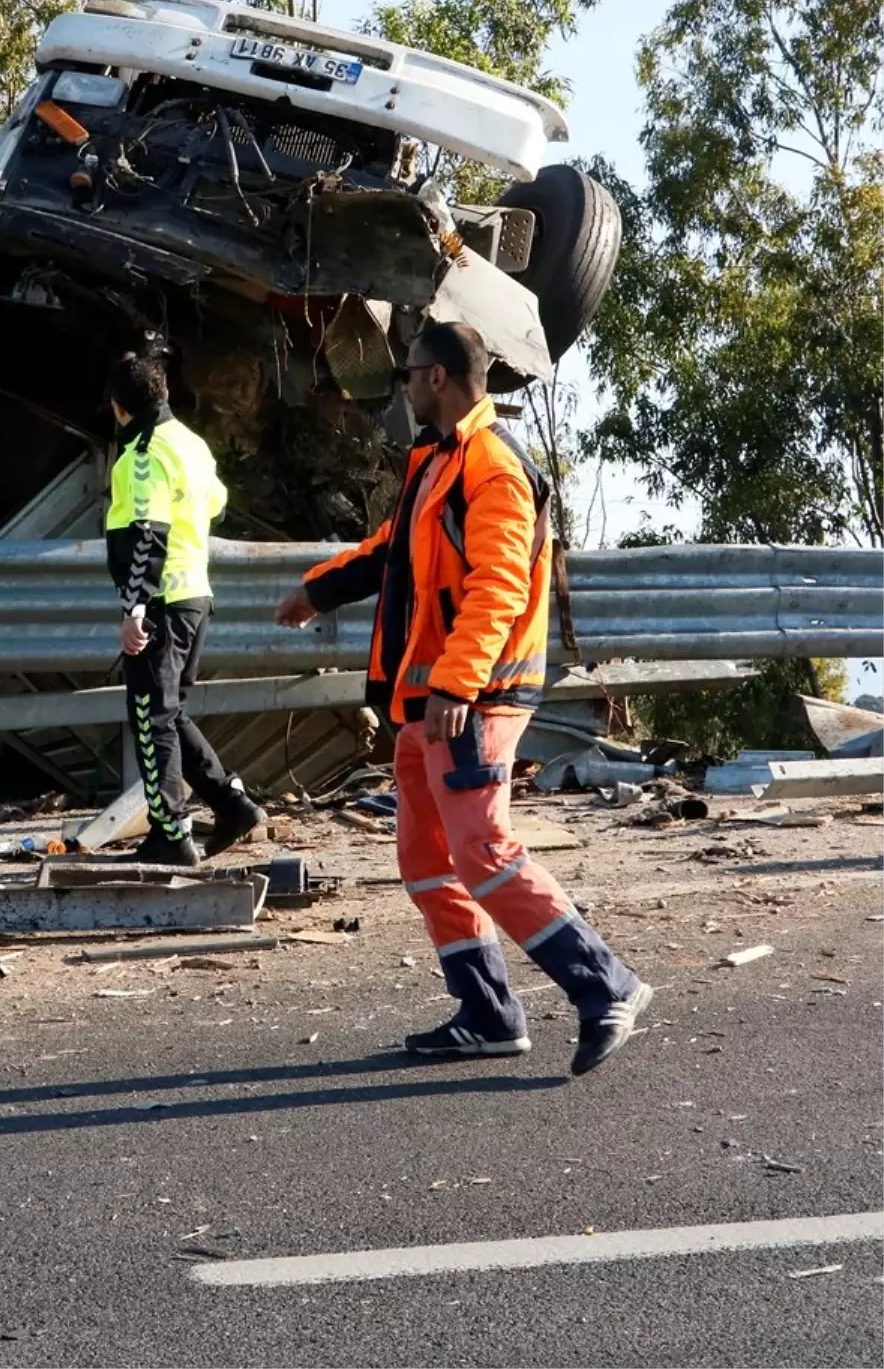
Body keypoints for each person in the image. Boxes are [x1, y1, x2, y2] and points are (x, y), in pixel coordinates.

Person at [276, 322, 651, 1077]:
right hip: (426, 702)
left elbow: (498, 588)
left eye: (411, 372)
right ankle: (486, 1011)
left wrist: (457, 683)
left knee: (481, 850)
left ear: (440, 378)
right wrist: (318, 591)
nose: (404, 385)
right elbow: (392, 552)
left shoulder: (493, 466)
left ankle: (606, 984)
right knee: (425, 858)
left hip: (470, 699)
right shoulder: (437, 460)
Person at [106, 352, 265, 868]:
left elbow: (149, 533)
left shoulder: (141, 455)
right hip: (195, 596)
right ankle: (231, 804)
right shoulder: (192, 445)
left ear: (118, 408)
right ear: (164, 394)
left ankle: (171, 834)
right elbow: (216, 501)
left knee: (151, 719)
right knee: (171, 714)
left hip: (161, 603)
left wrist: (134, 608)